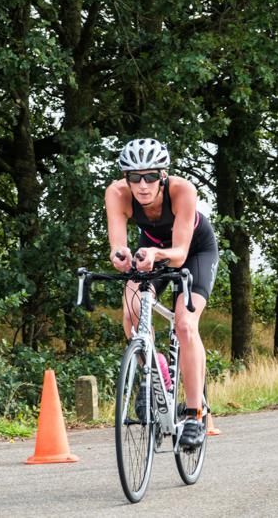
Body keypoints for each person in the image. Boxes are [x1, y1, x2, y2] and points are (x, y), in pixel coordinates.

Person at [105, 138, 219, 448]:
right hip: (151, 253)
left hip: (194, 252)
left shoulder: (182, 191)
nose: (142, 185)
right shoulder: (117, 194)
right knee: (131, 311)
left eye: (151, 176)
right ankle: (156, 380)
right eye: (135, 177)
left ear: (163, 175)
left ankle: (195, 414)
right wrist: (121, 257)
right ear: (126, 178)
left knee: (184, 324)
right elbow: (117, 247)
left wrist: (154, 253)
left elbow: (180, 254)